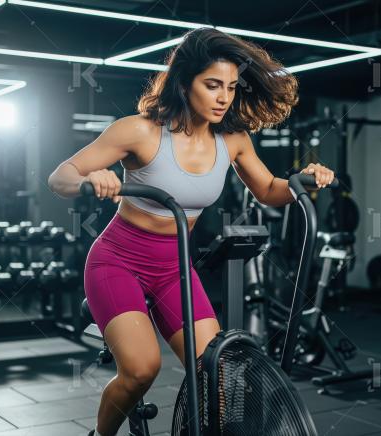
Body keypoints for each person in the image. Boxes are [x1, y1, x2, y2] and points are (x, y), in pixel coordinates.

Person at [48, 27, 335, 436]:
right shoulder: (140, 132)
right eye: (212, 85)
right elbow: (59, 177)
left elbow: (270, 190)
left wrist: (304, 181)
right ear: (185, 83)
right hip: (117, 262)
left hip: (173, 269)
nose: (223, 97)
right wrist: (92, 178)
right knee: (141, 369)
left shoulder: (233, 139)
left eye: (231, 87)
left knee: (218, 372)